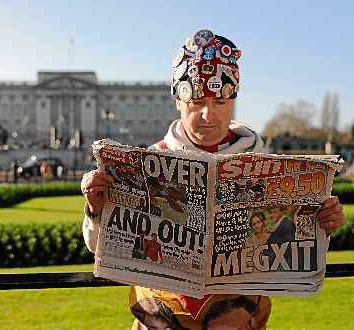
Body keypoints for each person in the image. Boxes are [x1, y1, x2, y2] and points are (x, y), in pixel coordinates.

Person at [81, 29, 345, 329]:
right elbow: (97, 248)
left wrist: (322, 224)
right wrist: (96, 209)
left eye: (220, 102)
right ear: (178, 102)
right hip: (161, 319)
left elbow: (294, 257)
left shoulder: (266, 163)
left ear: (233, 101)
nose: (209, 115)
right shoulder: (148, 160)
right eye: (196, 102)